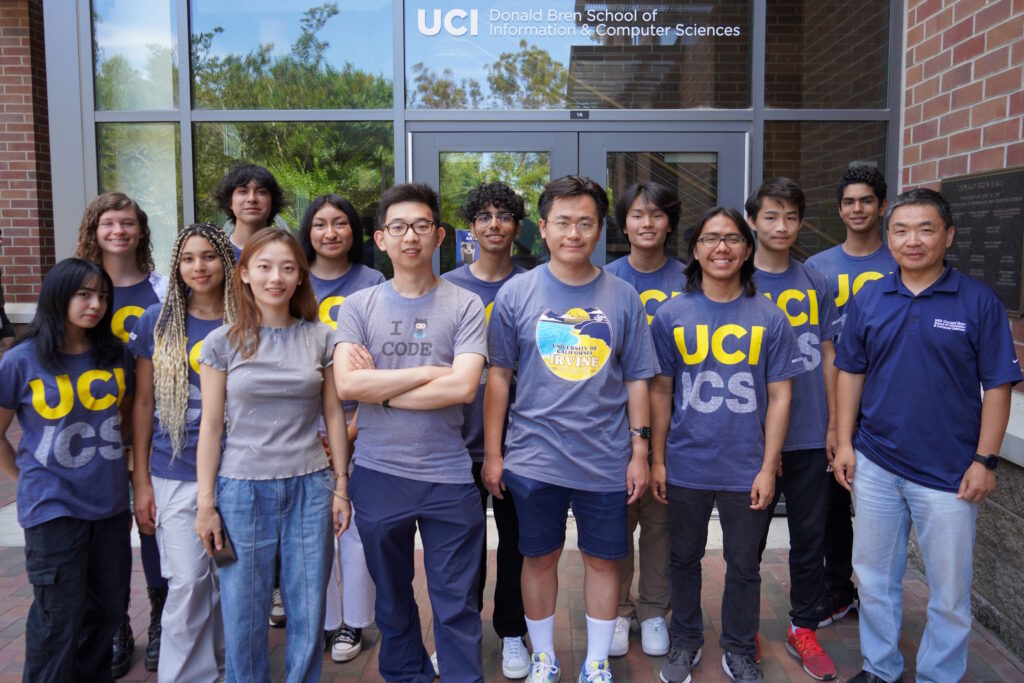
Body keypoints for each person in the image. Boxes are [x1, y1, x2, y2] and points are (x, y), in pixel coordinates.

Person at [832, 188, 1021, 683]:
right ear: (888, 237)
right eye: (900, 229)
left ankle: (939, 675)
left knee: (950, 589)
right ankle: (880, 667)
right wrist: (846, 442)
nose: (912, 240)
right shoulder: (870, 297)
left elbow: (998, 386)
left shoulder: (978, 300)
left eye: (925, 229)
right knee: (873, 579)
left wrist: (986, 460)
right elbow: (849, 372)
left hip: (950, 471)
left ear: (948, 235)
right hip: (876, 462)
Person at [484, 175, 657, 683]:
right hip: (533, 457)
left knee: (604, 561)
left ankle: (597, 661)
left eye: (585, 223)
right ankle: (543, 656)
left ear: (600, 229)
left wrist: (639, 453)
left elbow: (638, 381)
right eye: (563, 222)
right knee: (538, 557)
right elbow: (499, 379)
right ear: (542, 227)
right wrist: (494, 455)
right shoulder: (517, 293)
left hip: (604, 457)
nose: (574, 233)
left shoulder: (624, 297)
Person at [334, 182, 488, 683]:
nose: (410, 237)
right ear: (380, 239)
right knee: (394, 603)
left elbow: (464, 387)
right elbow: (346, 383)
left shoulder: (464, 305)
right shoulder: (359, 307)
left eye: (422, 226)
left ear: (439, 235)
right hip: (378, 473)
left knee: (457, 604)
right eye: (398, 227)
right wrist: (428, 372)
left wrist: (378, 389)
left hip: (449, 476)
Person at [650, 207, 801, 683]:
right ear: (694, 249)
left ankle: (739, 648)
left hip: (746, 465)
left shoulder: (770, 317)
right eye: (711, 238)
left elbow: (780, 395)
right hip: (685, 462)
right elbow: (659, 391)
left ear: (748, 248)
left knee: (743, 565)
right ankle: (686, 641)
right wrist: (657, 458)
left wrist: (768, 465)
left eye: (733, 239)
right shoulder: (671, 313)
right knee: (683, 558)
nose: (722, 248)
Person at [193, 228, 351, 683]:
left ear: (301, 276)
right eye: (263, 266)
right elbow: (210, 427)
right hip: (241, 490)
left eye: (287, 267)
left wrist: (341, 486)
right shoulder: (220, 343)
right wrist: (206, 504)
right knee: (243, 611)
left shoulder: (321, 337)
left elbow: (334, 415)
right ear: (243, 274)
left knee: (308, 607)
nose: (275, 277)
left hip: (311, 486)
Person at [0, 258, 133, 682]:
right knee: (59, 619)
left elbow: (128, 419)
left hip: (110, 505)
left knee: (109, 610)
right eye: (84, 294)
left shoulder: (115, 355)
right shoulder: (22, 360)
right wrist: (25, 482)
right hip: (52, 508)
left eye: (103, 296)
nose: (95, 304)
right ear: (58, 296)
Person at [129, 224, 235, 682]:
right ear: (176, 266)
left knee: (226, 579)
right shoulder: (157, 319)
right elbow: (144, 402)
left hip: (239, 469)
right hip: (174, 470)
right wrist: (141, 482)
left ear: (227, 263)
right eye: (188, 258)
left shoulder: (247, 316)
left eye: (209, 256)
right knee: (189, 582)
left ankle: (221, 668)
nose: (199, 267)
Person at [746, 178, 839, 681]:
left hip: (808, 433)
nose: (781, 227)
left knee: (809, 536)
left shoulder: (814, 280)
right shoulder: (737, 280)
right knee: (749, 541)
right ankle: (745, 627)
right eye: (771, 217)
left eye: (791, 218)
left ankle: (804, 626)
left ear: (800, 223)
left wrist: (834, 428)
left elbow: (829, 358)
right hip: (751, 438)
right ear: (753, 222)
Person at [75, 191, 169, 676]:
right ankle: (115, 625)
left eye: (127, 223)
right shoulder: (77, 285)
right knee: (107, 533)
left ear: (140, 230)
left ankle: (160, 620)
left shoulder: (162, 288)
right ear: (94, 229)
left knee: (153, 523)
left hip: (153, 428)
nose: (118, 231)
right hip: (97, 431)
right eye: (108, 223)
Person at [442, 181, 529, 679]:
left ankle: (513, 631)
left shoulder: (535, 284)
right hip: (457, 440)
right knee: (461, 550)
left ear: (517, 227)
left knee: (517, 543)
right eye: (484, 216)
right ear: (470, 228)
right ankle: (462, 635)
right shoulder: (449, 288)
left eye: (504, 216)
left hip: (520, 441)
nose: (494, 224)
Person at [805, 165, 895, 627]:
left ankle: (882, 595)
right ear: (839, 209)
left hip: (886, 399)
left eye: (866, 201)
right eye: (849, 202)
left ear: (881, 205)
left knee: (881, 507)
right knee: (833, 504)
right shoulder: (817, 267)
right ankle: (839, 588)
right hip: (833, 399)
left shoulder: (900, 261)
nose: (857, 209)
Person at [297, 194, 384, 663]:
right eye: (320, 224)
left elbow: (378, 362)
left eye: (340, 224)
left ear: (356, 231)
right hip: (301, 426)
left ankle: (353, 621)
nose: (330, 233)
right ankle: (323, 620)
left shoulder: (373, 282)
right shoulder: (292, 280)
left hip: (360, 419)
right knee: (313, 528)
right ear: (307, 231)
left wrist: (350, 428)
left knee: (354, 528)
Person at [603, 181, 683, 659]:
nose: (647, 223)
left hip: (677, 424)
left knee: (660, 522)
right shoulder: (604, 278)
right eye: (637, 214)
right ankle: (616, 610)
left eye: (656, 214)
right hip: (612, 426)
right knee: (615, 523)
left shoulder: (690, 278)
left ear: (669, 222)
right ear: (624, 223)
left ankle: (654, 609)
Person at [214, 164, 286, 260]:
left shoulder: (286, 252)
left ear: (272, 201)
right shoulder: (217, 254)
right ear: (230, 201)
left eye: (261, 192)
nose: (252, 199)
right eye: (243, 191)